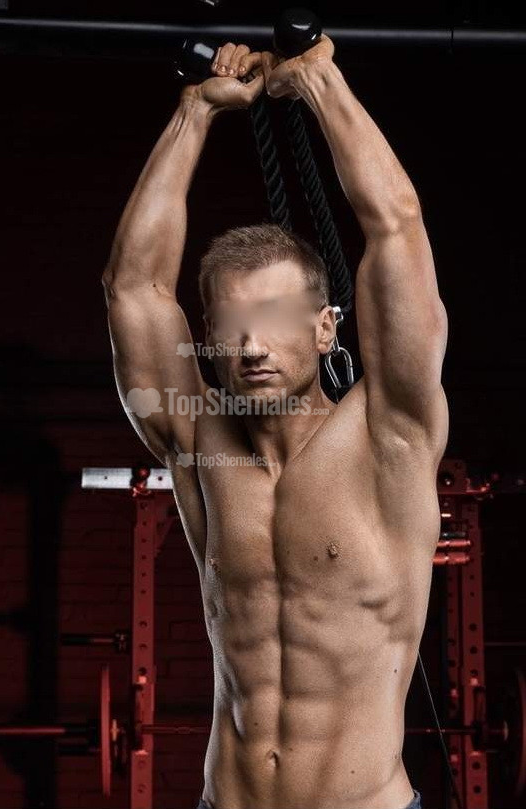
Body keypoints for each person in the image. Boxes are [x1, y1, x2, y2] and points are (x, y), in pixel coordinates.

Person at [101, 34, 448, 809]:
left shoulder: (391, 432)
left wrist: (319, 84)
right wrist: (194, 112)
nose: (253, 345)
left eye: (278, 318)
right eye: (233, 324)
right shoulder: (197, 442)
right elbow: (132, 287)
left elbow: (396, 226)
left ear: (325, 328)